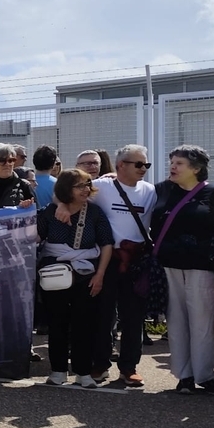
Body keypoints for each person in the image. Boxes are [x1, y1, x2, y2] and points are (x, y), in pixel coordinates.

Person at [152, 144, 214, 396]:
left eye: (179, 163)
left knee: (204, 322)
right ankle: (183, 376)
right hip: (169, 266)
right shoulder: (162, 190)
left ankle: (205, 375)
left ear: (196, 168)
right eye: (172, 161)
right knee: (176, 322)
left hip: (203, 267)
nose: (173, 167)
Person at [86, 144, 157, 386]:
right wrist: (63, 206)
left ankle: (129, 367)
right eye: (138, 164)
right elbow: (66, 192)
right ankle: (100, 364)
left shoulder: (150, 191)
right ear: (120, 166)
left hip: (137, 262)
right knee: (103, 315)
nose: (143, 169)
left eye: (146, 164)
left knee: (133, 317)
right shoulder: (103, 186)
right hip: (108, 260)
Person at [38, 169, 115, 387]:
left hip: (86, 274)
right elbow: (34, 236)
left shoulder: (95, 213)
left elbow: (107, 243)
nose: (86, 190)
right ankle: (58, 371)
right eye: (80, 185)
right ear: (66, 189)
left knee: (85, 324)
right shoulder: (49, 212)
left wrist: (100, 274)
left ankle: (83, 372)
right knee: (57, 323)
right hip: (55, 274)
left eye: (88, 184)